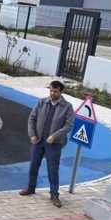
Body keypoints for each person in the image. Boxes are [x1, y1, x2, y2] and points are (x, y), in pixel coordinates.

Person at [19, 80, 74, 208]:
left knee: (52, 169)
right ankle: (31, 188)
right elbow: (32, 118)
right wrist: (32, 134)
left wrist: (54, 136)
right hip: (38, 141)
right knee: (33, 165)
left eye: (55, 91)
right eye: (51, 90)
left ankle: (54, 195)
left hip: (54, 144)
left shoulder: (67, 107)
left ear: (60, 92)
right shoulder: (42, 102)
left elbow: (68, 125)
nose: (52, 93)